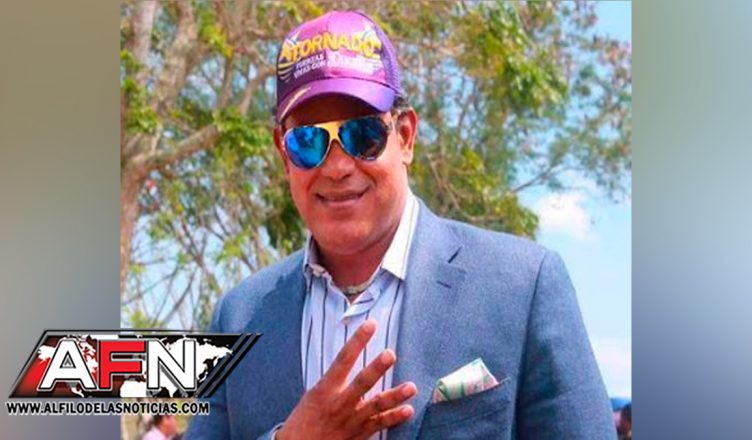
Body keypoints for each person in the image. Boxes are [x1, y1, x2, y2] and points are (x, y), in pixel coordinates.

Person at [186, 10, 615, 440]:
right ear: (284, 154)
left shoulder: (524, 285)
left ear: (406, 136)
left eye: (363, 135)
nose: (336, 167)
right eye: (308, 141)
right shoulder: (236, 316)